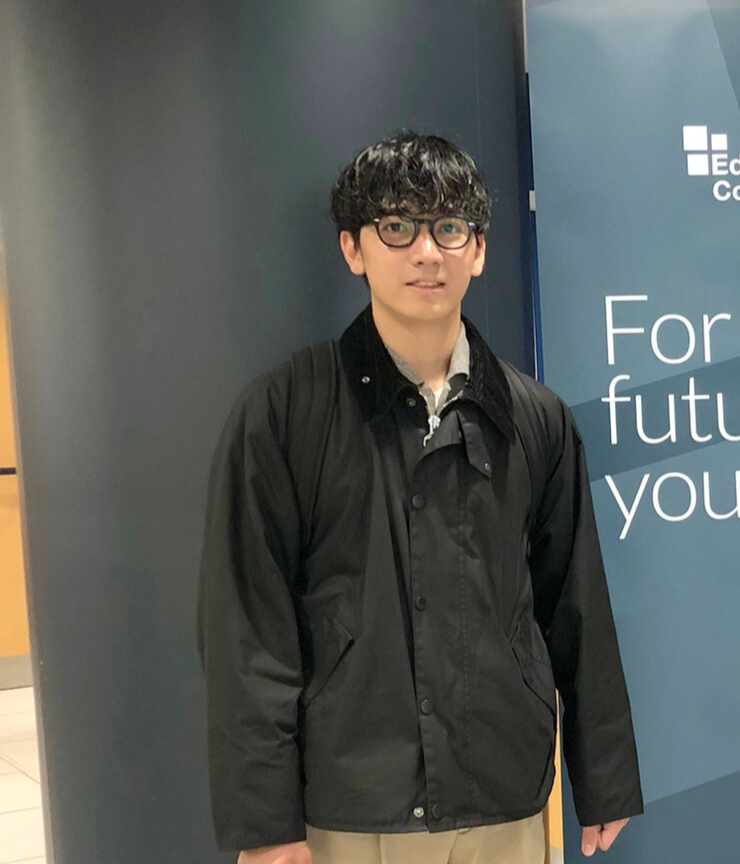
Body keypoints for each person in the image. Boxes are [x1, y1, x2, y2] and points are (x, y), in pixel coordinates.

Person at [196, 131, 642, 864]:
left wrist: (604, 777)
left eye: (449, 227)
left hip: (503, 797)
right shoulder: (283, 413)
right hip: (349, 808)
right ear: (353, 248)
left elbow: (575, 604)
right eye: (398, 227)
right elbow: (247, 631)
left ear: (479, 250)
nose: (426, 252)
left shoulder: (535, 418)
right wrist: (266, 822)